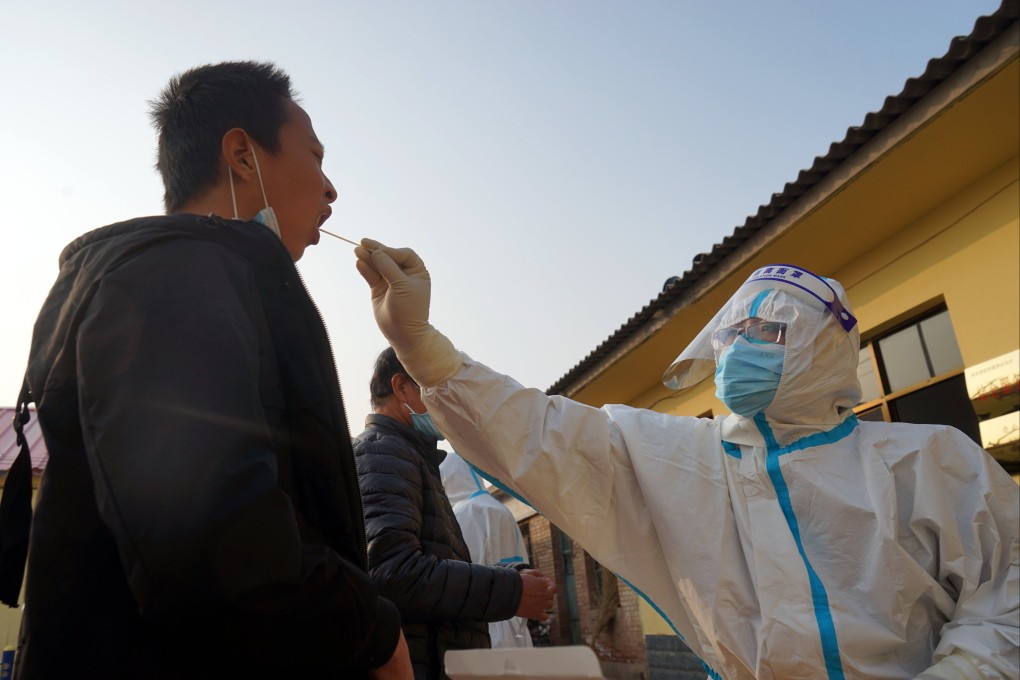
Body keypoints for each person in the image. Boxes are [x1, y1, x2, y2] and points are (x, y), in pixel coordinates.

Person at [354, 245, 1020, 680]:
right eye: (732, 338)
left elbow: (1005, 598)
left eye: (766, 336)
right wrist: (426, 348)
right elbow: (548, 435)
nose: (739, 354)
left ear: (821, 349)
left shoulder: (926, 463)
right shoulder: (689, 461)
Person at [2, 62, 412, 679]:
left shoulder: (203, 279)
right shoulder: (171, 279)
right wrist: (372, 633)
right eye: (315, 156)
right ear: (244, 155)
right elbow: (210, 534)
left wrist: (416, 338)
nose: (331, 190)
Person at [354, 347, 555, 680]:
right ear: (402, 388)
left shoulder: (410, 458)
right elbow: (393, 573)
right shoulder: (383, 453)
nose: (449, 404)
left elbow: (425, 566)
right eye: (438, 391)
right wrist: (509, 590)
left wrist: (507, 576)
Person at [439, 451, 535, 649]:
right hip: (514, 620)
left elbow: (461, 570)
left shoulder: (464, 512)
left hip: (484, 620)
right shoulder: (500, 509)